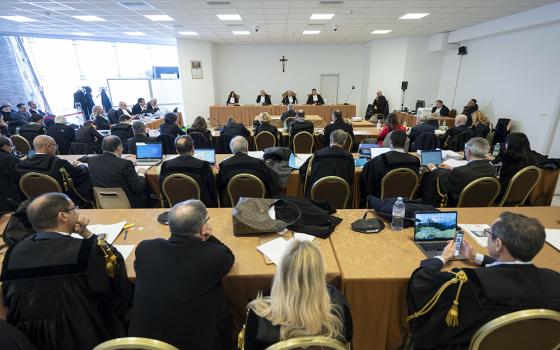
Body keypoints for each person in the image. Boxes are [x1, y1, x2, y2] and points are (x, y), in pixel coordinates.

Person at [407, 212, 560, 350]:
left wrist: (442, 257)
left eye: (488, 233)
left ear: (498, 244)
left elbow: (421, 282)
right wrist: (476, 257)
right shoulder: (555, 280)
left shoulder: (467, 283)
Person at [0, 193, 134, 350]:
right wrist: (88, 234)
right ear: (63, 216)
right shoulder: (85, 251)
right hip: (81, 336)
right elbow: (114, 283)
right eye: (74, 209)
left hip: (27, 339)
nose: (77, 213)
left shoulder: (13, 252)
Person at [129, 199, 234, 349]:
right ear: (203, 228)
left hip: (142, 344)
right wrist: (208, 236)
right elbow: (228, 256)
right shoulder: (214, 255)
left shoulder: (145, 249)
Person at [243, 239, 353, 350]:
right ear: (319, 275)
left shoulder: (258, 319)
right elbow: (347, 340)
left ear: (281, 274)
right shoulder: (340, 309)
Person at [15, 135, 93, 206]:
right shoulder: (58, 163)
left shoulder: (22, 164)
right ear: (48, 146)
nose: (56, 148)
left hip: (35, 202)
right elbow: (78, 175)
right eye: (55, 145)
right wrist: (81, 165)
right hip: (60, 201)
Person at [422, 137, 496, 207]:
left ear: (468, 151)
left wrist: (433, 169)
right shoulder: (492, 169)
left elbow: (442, 178)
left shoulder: (460, 172)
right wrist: (452, 168)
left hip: (458, 205)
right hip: (482, 204)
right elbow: (472, 172)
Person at [88, 136, 152, 208]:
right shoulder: (125, 164)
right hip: (130, 203)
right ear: (119, 148)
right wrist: (141, 173)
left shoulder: (91, 161)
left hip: (103, 203)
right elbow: (138, 187)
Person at [360, 131, 419, 204]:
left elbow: (367, 181)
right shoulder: (415, 160)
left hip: (381, 202)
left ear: (390, 141)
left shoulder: (379, 160)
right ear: (406, 142)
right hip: (406, 202)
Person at [159, 135, 218, 207]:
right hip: (200, 205)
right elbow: (212, 189)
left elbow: (162, 188)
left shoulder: (165, 165)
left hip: (175, 205)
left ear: (176, 150)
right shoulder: (203, 165)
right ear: (193, 148)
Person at [217, 136, 280, 202]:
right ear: (247, 147)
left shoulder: (224, 165)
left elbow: (219, 188)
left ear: (231, 149)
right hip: (258, 204)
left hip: (233, 205)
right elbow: (273, 183)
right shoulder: (259, 163)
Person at [299, 129, 355, 197]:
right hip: (341, 196)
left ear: (330, 140)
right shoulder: (349, 158)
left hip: (316, 197)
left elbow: (303, 172)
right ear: (344, 142)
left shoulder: (315, 156)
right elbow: (351, 180)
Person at [492, 132, 537, 201]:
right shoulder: (531, 158)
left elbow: (493, 169)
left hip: (500, 193)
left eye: (506, 142)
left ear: (511, 144)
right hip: (519, 195)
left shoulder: (506, 158)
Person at [0, 136, 22, 212]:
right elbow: (20, 177)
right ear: (5, 146)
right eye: (12, 146)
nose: (13, 148)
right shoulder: (10, 158)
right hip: (10, 197)